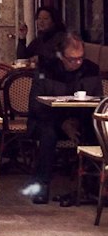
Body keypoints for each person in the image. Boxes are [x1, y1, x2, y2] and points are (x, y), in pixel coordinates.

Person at [22, 32, 104, 204]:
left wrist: (76, 121)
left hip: (80, 119)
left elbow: (98, 102)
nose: (77, 63)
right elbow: (36, 106)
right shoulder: (46, 70)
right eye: (72, 59)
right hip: (49, 120)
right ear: (60, 56)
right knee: (48, 134)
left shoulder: (90, 69)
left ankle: (91, 186)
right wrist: (63, 122)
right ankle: (42, 186)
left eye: (80, 58)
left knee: (94, 131)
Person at [16, 5, 66, 69]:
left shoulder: (62, 38)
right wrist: (22, 38)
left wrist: (41, 59)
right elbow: (22, 59)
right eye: (39, 18)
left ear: (54, 21)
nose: (41, 22)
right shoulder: (39, 40)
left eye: (45, 19)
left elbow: (61, 57)